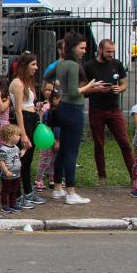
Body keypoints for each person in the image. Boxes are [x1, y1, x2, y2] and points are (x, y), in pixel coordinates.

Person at [52, 32, 106, 205]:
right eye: (81, 48)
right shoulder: (74, 66)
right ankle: (71, 191)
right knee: (71, 151)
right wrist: (90, 87)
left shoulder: (61, 64)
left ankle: (58, 187)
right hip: (73, 109)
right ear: (72, 47)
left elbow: (53, 82)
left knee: (62, 150)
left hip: (62, 108)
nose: (84, 51)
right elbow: (75, 92)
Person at [83, 39, 133, 185]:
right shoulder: (88, 66)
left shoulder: (116, 64)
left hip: (114, 110)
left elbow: (124, 83)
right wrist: (96, 89)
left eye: (113, 51)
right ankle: (102, 176)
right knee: (99, 144)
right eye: (108, 52)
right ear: (100, 50)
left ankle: (134, 176)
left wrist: (120, 88)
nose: (111, 54)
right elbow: (83, 90)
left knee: (125, 143)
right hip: (96, 110)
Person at [9, 52, 45, 209]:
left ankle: (28, 191)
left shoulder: (27, 82)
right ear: (24, 66)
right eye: (33, 64)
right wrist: (23, 134)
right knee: (20, 160)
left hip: (32, 119)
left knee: (28, 159)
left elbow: (30, 102)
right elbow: (18, 111)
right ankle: (16, 195)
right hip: (23, 121)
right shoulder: (17, 83)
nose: (36, 68)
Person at [0, 124, 24, 214]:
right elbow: (1, 161)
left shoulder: (16, 148)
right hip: (7, 174)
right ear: (10, 136)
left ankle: (13, 204)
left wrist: (24, 150)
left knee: (14, 190)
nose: (19, 137)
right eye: (17, 135)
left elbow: (18, 155)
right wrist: (6, 171)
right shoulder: (3, 149)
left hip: (16, 174)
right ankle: (4, 205)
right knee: (6, 190)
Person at [37, 87, 61, 191]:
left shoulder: (59, 111)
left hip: (57, 140)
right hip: (49, 140)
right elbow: (49, 127)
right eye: (60, 99)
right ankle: (38, 180)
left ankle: (52, 180)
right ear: (54, 100)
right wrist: (55, 140)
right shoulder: (51, 112)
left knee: (54, 161)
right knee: (45, 160)